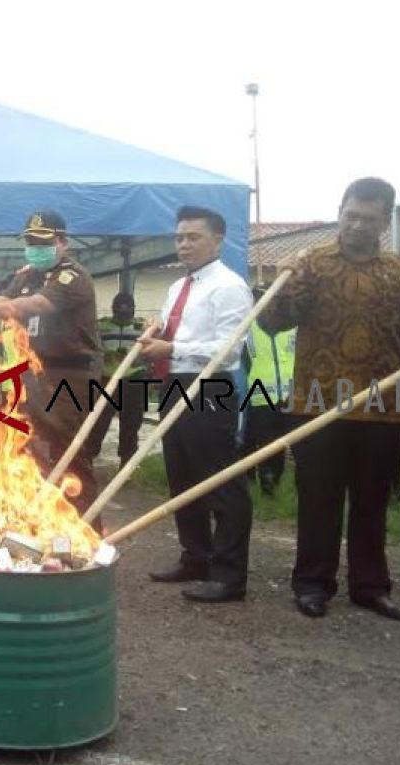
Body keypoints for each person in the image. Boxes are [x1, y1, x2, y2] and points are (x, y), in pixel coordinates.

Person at [260, 177, 400, 622]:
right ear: (340, 212)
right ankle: (312, 584)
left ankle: (370, 587)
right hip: (318, 405)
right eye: (351, 215)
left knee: (373, 500)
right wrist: (285, 279)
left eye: (369, 218)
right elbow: (272, 322)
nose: (358, 226)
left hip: (384, 407)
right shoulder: (311, 264)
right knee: (319, 498)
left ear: (385, 222)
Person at [0, 210, 103, 524]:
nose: (36, 247)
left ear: (62, 241)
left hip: (68, 375)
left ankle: (88, 531)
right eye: (31, 241)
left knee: (68, 450)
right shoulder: (26, 275)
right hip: (31, 372)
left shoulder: (71, 276)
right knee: (29, 445)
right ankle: (44, 526)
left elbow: (32, 306)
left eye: (43, 241)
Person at [136, 206, 254, 603]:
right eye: (179, 237)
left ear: (217, 239)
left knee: (219, 480)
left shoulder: (230, 286)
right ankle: (196, 556)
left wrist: (173, 346)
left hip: (210, 387)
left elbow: (230, 348)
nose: (184, 244)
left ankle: (229, 574)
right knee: (182, 476)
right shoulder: (176, 287)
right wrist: (154, 336)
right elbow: (171, 330)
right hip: (174, 384)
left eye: (193, 237)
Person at [242, 287, 296, 496]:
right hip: (259, 395)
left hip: (289, 394)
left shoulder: (292, 327)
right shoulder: (248, 329)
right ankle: (265, 483)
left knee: (281, 443)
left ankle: (275, 480)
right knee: (263, 441)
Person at [86, 292, 148, 466]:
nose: (124, 311)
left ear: (134, 309)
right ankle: (88, 458)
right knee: (98, 421)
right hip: (106, 380)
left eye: (128, 308)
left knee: (131, 424)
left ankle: (127, 463)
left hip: (134, 379)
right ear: (113, 308)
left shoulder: (142, 327)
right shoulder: (101, 326)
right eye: (120, 307)